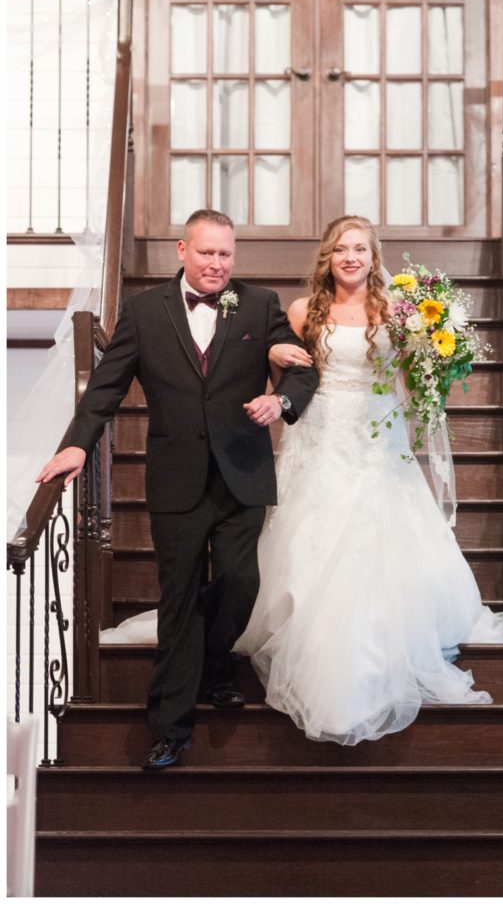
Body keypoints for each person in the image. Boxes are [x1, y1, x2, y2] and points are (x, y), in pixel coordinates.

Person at [36, 209, 319, 769]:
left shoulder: (259, 305)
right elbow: (105, 388)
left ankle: (213, 663)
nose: (217, 264)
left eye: (226, 254)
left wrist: (281, 400)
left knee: (241, 581)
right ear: (182, 251)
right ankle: (170, 728)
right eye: (207, 252)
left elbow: (303, 370)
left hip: (242, 473)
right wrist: (77, 445)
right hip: (175, 477)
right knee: (180, 598)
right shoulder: (144, 312)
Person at [234, 216, 503, 745]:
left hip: (375, 435)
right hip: (319, 435)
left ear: (374, 256)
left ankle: (368, 660)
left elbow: (410, 380)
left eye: (360, 249)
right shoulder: (302, 311)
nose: (350, 257)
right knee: (312, 537)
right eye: (341, 249)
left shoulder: (398, 311)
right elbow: (291, 380)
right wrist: (273, 363)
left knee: (375, 539)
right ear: (328, 257)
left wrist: (434, 361)